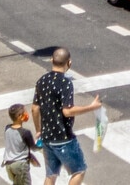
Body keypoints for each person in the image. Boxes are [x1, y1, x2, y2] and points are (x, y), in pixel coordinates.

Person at [32, 47, 101, 184]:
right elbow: (67, 111)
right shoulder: (65, 83)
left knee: (51, 175)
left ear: (51, 60)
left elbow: (34, 109)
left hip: (47, 138)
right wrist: (91, 107)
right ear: (69, 63)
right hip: (63, 138)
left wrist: (39, 130)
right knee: (79, 170)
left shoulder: (42, 81)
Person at [1, 103, 38, 185]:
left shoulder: (7, 128)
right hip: (20, 165)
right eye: (25, 112)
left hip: (9, 165)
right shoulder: (25, 133)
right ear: (19, 116)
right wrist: (41, 142)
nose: (27, 114)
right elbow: (34, 148)